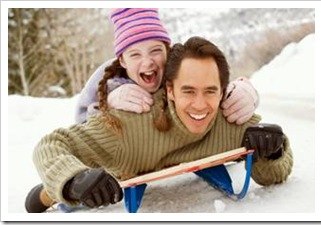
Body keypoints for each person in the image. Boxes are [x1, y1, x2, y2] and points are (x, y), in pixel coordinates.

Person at [26, 36, 293, 213]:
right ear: (170, 90)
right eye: (188, 91)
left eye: (210, 91)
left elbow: (275, 173)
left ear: (223, 89)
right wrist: (71, 181)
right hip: (120, 167)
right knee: (68, 189)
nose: (200, 105)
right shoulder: (128, 124)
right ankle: (48, 194)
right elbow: (51, 144)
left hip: (186, 155)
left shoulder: (229, 118)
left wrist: (274, 152)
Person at [75, 8, 259, 125]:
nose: (147, 62)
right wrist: (108, 105)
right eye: (135, 54)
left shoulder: (182, 66)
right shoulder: (107, 78)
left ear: (167, 50)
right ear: (123, 61)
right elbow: (81, 125)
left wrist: (245, 92)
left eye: (155, 51)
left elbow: (216, 86)